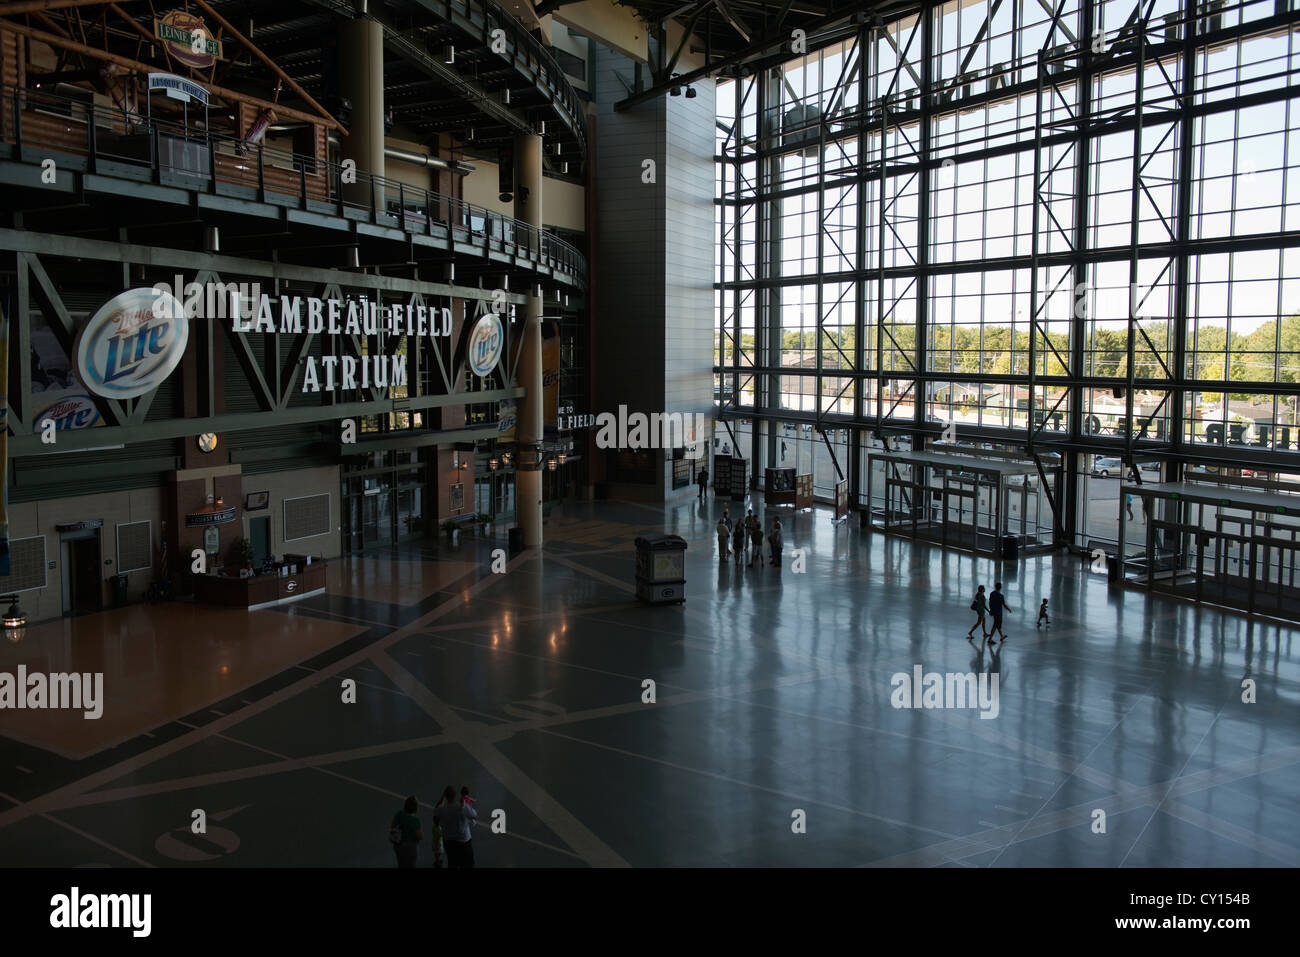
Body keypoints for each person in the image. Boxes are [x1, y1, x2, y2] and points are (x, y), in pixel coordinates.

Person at [434, 785, 478, 868]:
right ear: (455, 795)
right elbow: (474, 815)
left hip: (449, 842)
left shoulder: (442, 809)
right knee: (468, 864)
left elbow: (436, 810)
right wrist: (465, 804)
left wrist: (442, 797)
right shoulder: (462, 807)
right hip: (464, 842)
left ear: (446, 796)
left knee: (452, 863)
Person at [390, 795, 424, 868]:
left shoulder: (399, 814)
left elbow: (392, 825)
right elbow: (420, 836)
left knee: (401, 864)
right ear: (415, 808)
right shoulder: (415, 820)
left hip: (398, 846)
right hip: (410, 848)